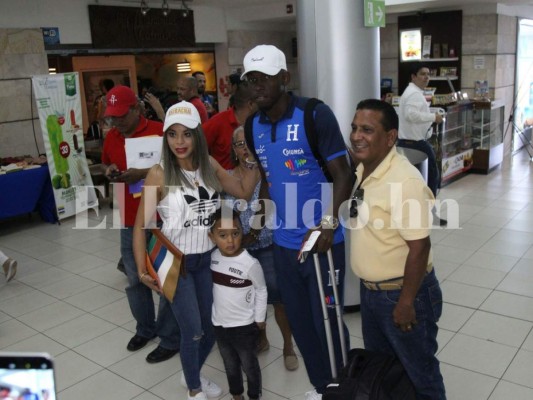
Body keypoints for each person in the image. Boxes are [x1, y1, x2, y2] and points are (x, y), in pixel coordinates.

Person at [241, 44, 352, 400]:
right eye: (250, 80)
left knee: (329, 325)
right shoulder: (252, 125)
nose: (257, 87)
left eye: (264, 79)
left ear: (284, 78)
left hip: (322, 244)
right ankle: (322, 387)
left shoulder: (314, 114)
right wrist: (255, 226)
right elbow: (268, 179)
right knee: (302, 325)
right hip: (284, 246)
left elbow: (343, 174)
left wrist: (330, 222)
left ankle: (344, 389)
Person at [132, 101, 257, 400]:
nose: (179, 142)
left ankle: (191, 371)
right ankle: (194, 390)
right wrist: (140, 269)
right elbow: (141, 226)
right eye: (172, 134)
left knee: (212, 327)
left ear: (198, 135)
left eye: (186, 134)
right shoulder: (158, 174)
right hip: (177, 264)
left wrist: (250, 160)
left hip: (209, 260)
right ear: (165, 138)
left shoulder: (210, 165)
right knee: (193, 331)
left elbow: (243, 191)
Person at [348, 99, 445, 399]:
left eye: (367, 129)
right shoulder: (365, 168)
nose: (356, 136)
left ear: (390, 137)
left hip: (401, 294)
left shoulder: (404, 181)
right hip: (372, 292)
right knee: (384, 371)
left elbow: (419, 247)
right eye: (354, 128)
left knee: (420, 373)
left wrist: (406, 302)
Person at [101, 85, 181, 363]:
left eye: (122, 116)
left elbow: (179, 165)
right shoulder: (112, 137)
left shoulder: (161, 131)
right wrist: (109, 171)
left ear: (136, 108)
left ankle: (171, 337)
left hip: (163, 218)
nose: (117, 123)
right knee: (136, 279)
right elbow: (106, 163)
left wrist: (143, 172)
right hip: (129, 217)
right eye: (112, 117)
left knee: (165, 278)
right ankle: (145, 329)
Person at [226, 126, 299, 371]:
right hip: (240, 251)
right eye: (238, 144)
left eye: (248, 142)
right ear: (234, 150)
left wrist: (254, 233)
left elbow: (273, 203)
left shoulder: (271, 172)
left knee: (279, 298)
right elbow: (226, 214)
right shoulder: (226, 177)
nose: (244, 147)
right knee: (250, 299)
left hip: (268, 245)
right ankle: (262, 338)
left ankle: (289, 346)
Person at [208, 206, 267, 400]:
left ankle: (254, 395)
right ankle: (236, 394)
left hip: (244, 325)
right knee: (230, 364)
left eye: (235, 233)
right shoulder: (213, 259)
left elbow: (261, 289)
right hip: (220, 325)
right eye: (223, 235)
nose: (230, 240)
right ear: (212, 237)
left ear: (242, 232)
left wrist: (260, 319)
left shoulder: (250, 263)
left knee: (249, 365)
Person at [397, 63, 447, 226]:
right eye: (422, 74)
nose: (426, 77)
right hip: (415, 144)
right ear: (413, 76)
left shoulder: (414, 92)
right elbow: (410, 115)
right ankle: (429, 214)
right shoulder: (413, 94)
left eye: (428, 73)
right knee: (430, 178)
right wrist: (433, 118)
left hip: (412, 142)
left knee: (420, 181)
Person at [202, 82, 257, 170]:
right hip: (221, 181)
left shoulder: (259, 124)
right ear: (251, 104)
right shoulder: (218, 122)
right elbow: (195, 147)